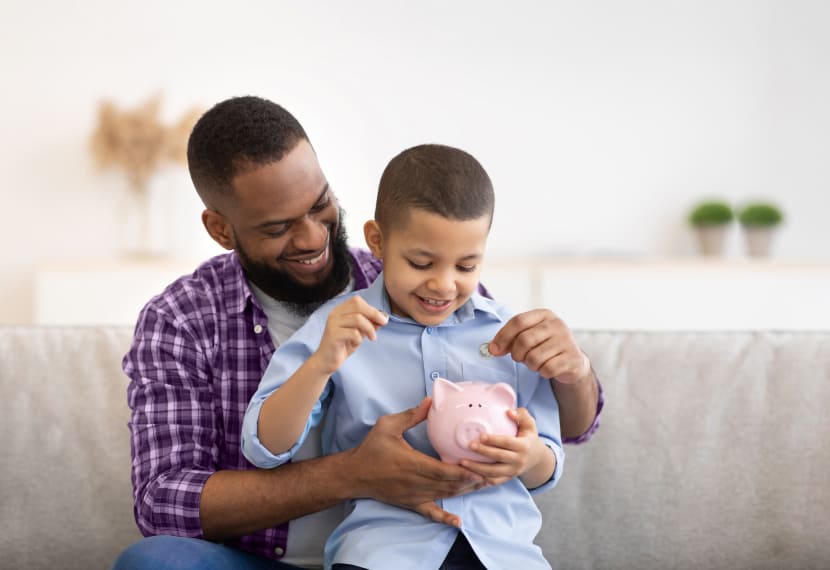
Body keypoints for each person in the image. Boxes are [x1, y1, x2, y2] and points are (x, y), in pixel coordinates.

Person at [115, 96, 603, 569]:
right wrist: (353, 475)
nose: (312, 238)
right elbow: (162, 501)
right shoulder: (182, 319)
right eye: (278, 226)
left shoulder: (434, 284)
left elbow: (565, 431)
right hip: (322, 558)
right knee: (155, 563)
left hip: (470, 549)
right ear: (222, 230)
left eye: (320, 204)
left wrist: (574, 371)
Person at [243, 143, 563, 569]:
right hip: (383, 554)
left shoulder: (507, 333)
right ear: (377, 241)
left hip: (501, 554)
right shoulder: (338, 327)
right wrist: (320, 364)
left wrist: (528, 458)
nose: (444, 285)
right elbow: (265, 446)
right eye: (420, 262)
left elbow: (548, 462)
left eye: (466, 267)